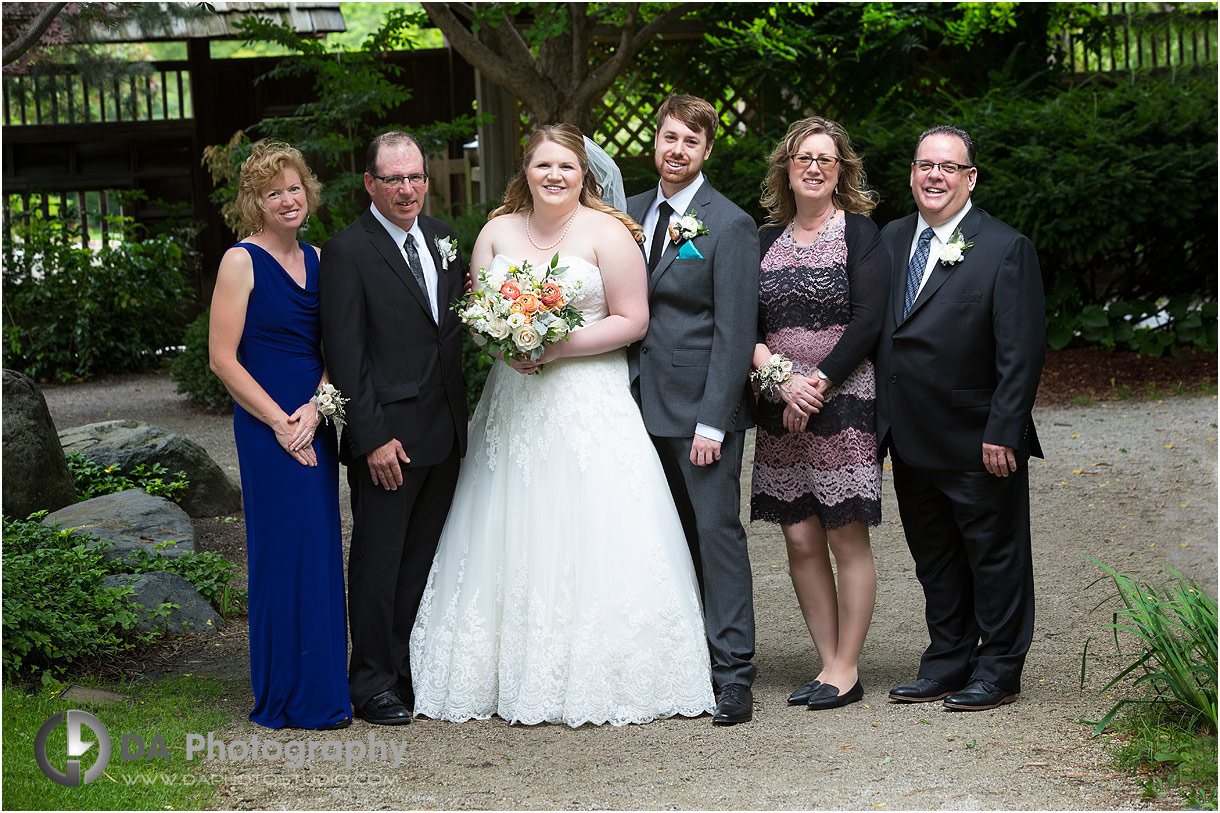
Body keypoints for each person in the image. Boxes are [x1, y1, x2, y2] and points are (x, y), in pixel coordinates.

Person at [409, 124, 715, 728]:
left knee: (593, 520)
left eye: (567, 168)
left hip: (587, 398)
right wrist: (506, 345)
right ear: (526, 170)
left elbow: (633, 320)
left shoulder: (610, 233)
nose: (555, 176)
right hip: (513, 400)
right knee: (509, 518)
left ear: (586, 176)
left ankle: (606, 668)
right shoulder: (496, 231)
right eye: (544, 165)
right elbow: (475, 319)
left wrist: (557, 346)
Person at [875, 125, 1045, 711]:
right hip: (909, 433)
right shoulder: (892, 239)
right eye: (926, 165)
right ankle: (947, 660)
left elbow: (1020, 351)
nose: (935, 176)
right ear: (913, 173)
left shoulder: (1004, 247)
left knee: (994, 555)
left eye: (949, 167)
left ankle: (998, 668)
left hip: (978, 438)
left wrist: (1006, 429)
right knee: (935, 557)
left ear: (970, 178)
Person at [319, 131, 469, 726]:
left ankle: (409, 673)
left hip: (444, 430)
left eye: (415, 178)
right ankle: (372, 681)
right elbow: (348, 356)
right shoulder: (347, 252)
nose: (407, 190)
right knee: (379, 561)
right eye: (393, 179)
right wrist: (371, 437)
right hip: (389, 439)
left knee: (423, 559)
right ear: (370, 184)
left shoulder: (444, 240)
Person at [625, 95, 761, 726]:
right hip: (632, 407)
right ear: (656, 140)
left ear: (708, 151)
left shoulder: (729, 224)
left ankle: (733, 671)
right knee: (653, 538)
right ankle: (676, 661)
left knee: (715, 535)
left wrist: (714, 419)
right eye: (668, 136)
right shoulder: (627, 214)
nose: (675, 150)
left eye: (690, 142)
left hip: (699, 412)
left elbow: (735, 332)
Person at [208, 140, 351, 730]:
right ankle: (281, 691)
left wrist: (315, 411)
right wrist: (280, 423)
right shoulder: (240, 262)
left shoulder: (321, 258)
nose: (287, 200)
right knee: (277, 550)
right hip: (266, 425)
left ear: (308, 192)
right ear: (256, 203)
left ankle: (322, 693)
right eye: (274, 193)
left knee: (319, 547)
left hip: (313, 417)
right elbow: (222, 358)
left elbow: (334, 347)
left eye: (294, 188)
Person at [751, 117, 889, 711]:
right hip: (779, 403)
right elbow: (744, 326)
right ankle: (825, 661)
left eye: (826, 159)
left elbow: (868, 319)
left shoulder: (860, 233)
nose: (813, 167)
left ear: (841, 171)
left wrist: (820, 383)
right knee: (801, 536)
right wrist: (783, 383)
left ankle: (846, 668)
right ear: (787, 167)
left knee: (843, 533)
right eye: (803, 157)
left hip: (844, 401)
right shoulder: (762, 240)